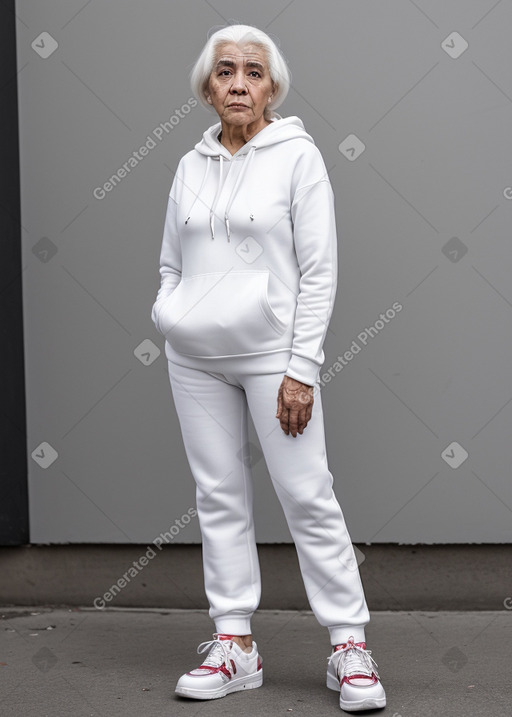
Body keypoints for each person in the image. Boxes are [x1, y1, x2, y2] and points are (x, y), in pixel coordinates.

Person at [150, 23, 386, 713]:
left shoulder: (297, 158)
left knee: (307, 493)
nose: (239, 84)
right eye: (225, 71)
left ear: (272, 87)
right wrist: (171, 313)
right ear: (207, 85)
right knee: (217, 493)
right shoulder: (189, 164)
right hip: (193, 358)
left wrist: (301, 367)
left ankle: (349, 645)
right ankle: (235, 644)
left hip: (270, 358)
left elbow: (320, 270)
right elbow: (171, 261)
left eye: (253, 72)